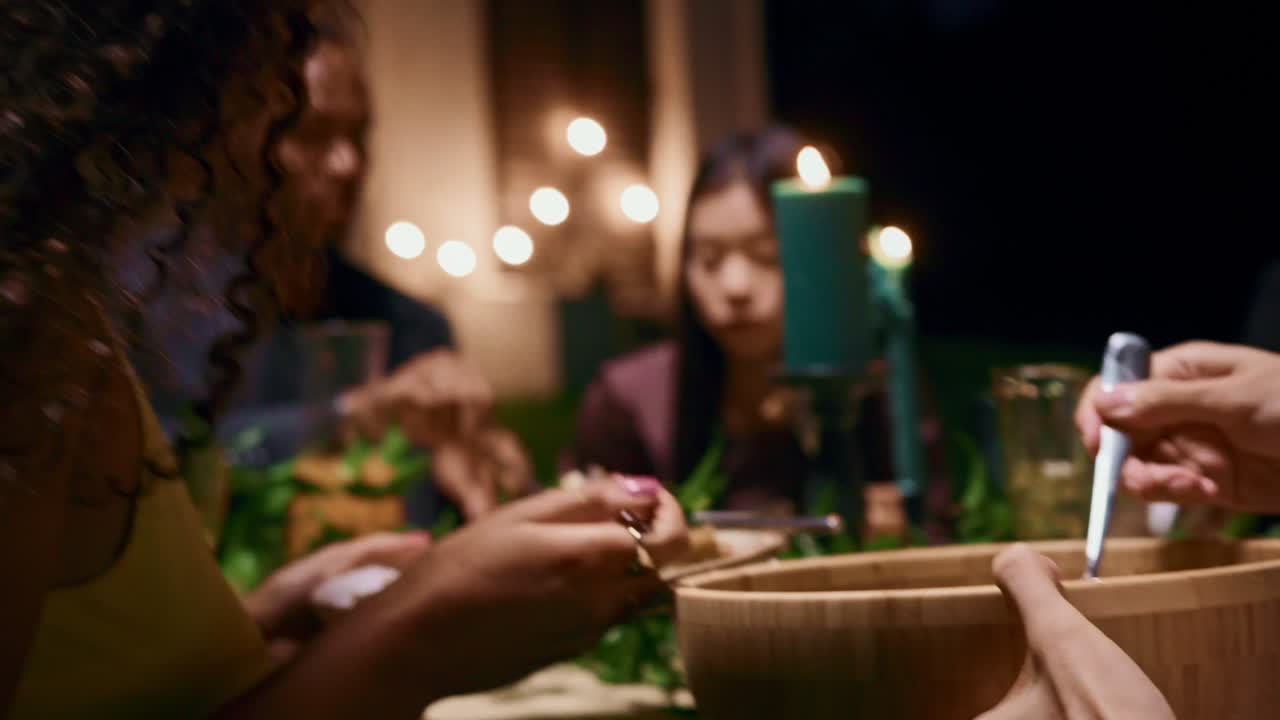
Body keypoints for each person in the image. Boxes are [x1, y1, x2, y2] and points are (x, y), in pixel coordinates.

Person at [0, 3, 687, 717]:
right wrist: (414, 632)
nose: (349, 164)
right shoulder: (39, 334)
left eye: (361, 135)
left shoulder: (76, 313)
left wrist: (260, 617)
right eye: (284, 116)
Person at [131, 5, 530, 521]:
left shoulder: (407, 327)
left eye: (359, 135)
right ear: (226, 140)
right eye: (312, 133)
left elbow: (428, 518)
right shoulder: (147, 311)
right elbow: (141, 478)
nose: (349, 164)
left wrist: (490, 469)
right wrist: (346, 418)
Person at [564, 127, 951, 533]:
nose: (735, 287)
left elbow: (939, 525)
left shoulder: (878, 385)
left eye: (767, 255)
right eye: (710, 259)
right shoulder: (628, 399)